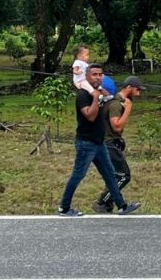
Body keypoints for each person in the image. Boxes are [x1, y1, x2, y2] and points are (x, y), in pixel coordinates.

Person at [58, 64, 141, 217]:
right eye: (94, 74)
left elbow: (110, 97)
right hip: (86, 143)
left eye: (100, 75)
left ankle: (121, 206)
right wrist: (96, 98)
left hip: (100, 142)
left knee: (110, 174)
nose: (97, 77)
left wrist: (100, 92)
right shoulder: (83, 95)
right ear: (87, 76)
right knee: (78, 175)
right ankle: (64, 208)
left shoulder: (98, 92)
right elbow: (90, 115)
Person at [92, 75, 145, 213]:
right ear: (129, 88)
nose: (139, 93)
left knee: (114, 175)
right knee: (123, 175)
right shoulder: (116, 104)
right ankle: (102, 201)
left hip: (109, 143)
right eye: (137, 89)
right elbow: (116, 127)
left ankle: (108, 204)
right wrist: (128, 109)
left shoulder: (116, 102)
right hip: (109, 143)